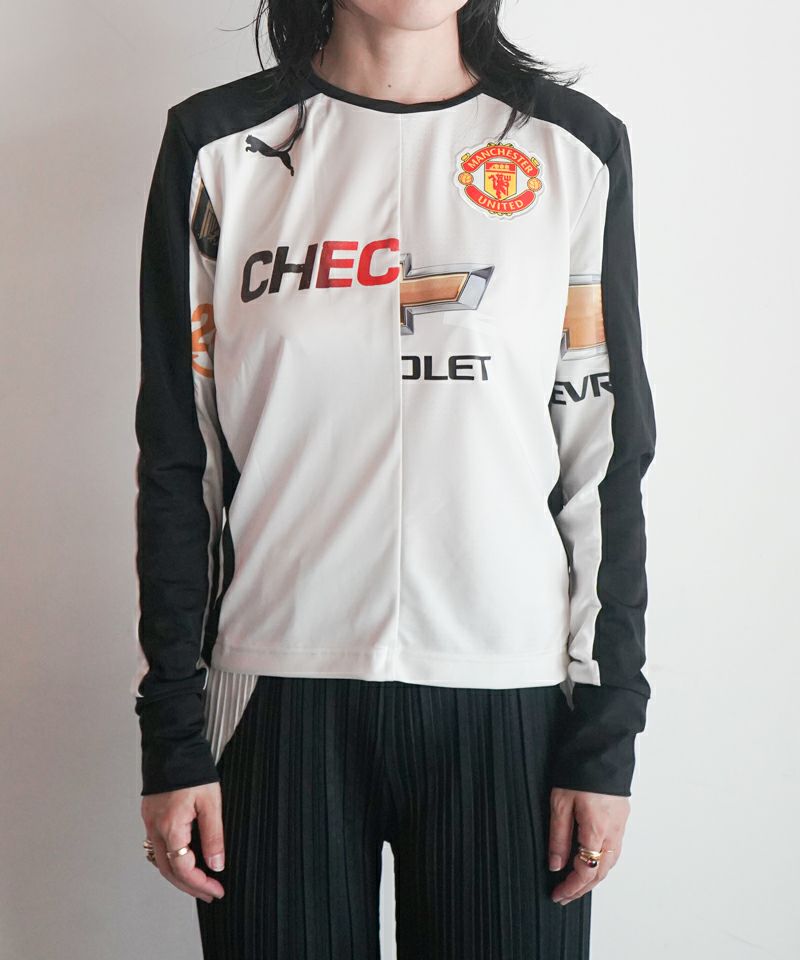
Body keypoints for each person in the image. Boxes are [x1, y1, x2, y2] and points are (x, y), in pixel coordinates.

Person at [131, 1, 656, 957]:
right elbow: (179, 459)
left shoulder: (572, 148)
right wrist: (171, 729)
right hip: (275, 691)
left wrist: (606, 731)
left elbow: (605, 460)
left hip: (512, 696)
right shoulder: (216, 146)